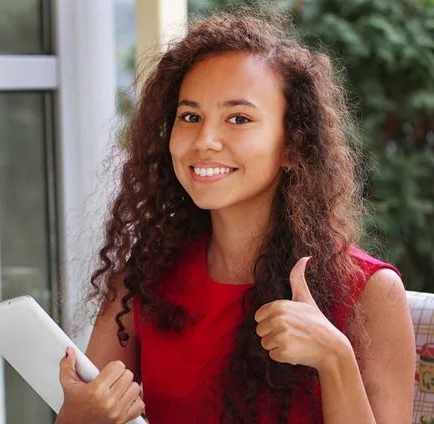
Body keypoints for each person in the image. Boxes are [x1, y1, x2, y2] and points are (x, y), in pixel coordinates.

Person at [55, 4, 416, 424]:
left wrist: (335, 359)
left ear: (292, 146)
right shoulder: (140, 281)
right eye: (190, 116)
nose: (205, 139)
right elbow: (91, 409)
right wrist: (76, 418)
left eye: (238, 118)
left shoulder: (370, 292)